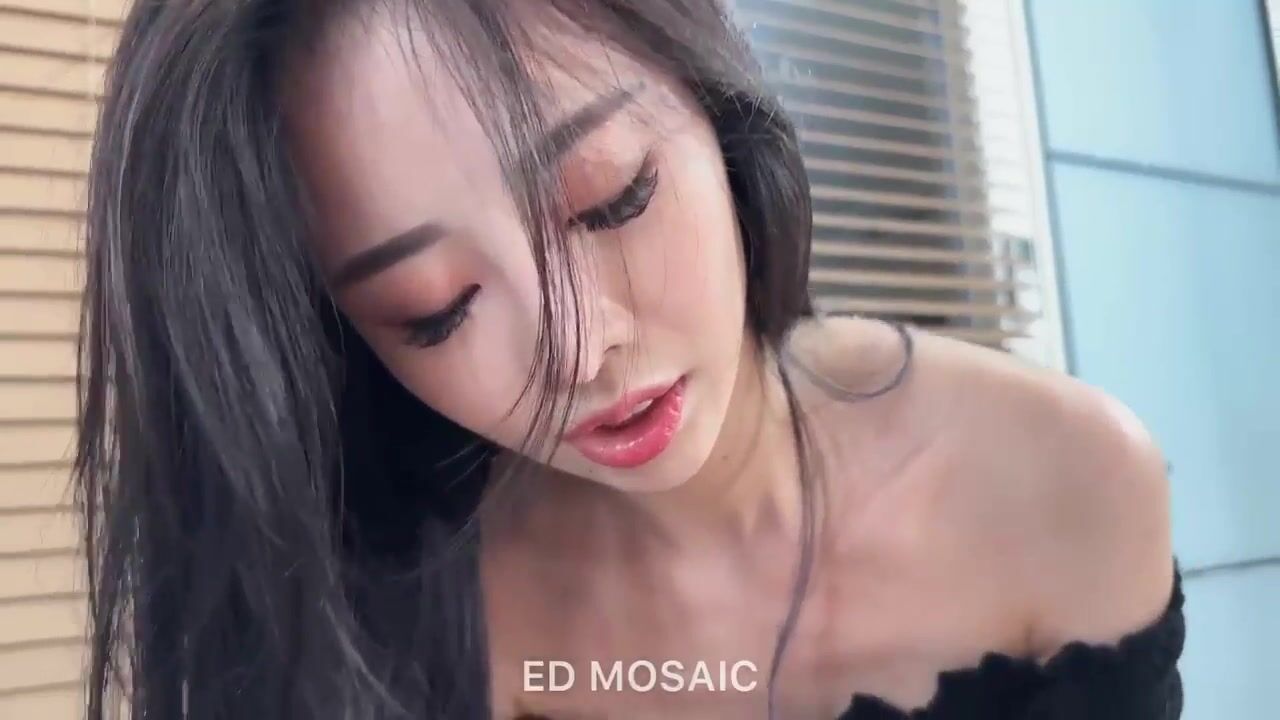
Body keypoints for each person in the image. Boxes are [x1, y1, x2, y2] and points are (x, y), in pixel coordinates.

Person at [75, 0, 1183, 718]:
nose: (578, 350)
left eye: (612, 198)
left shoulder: (1063, 479)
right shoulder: (395, 606)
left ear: (711, 99)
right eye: (434, 310)